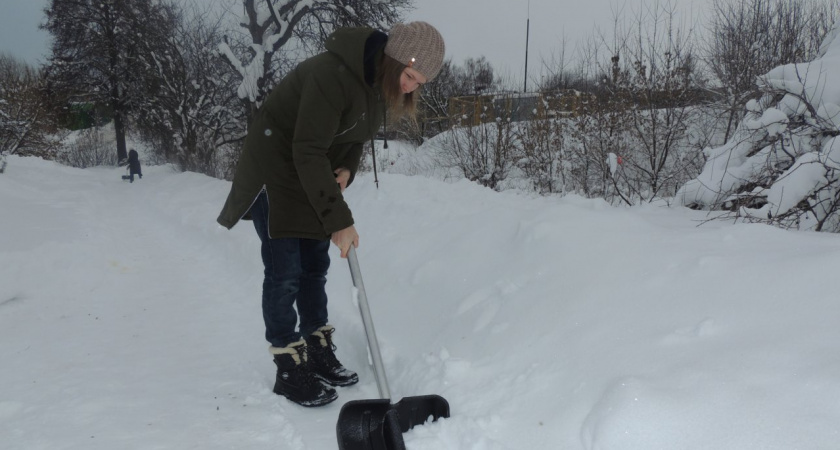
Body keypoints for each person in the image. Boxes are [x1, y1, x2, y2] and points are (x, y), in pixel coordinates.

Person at [216, 22, 445, 407]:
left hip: (309, 172)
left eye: (419, 82)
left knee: (313, 267)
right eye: (409, 75)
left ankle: (316, 348)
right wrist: (339, 220)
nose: (411, 87)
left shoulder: (374, 87)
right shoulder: (331, 75)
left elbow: (354, 138)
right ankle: (289, 366)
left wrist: (348, 170)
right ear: (392, 60)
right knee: (285, 272)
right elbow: (306, 149)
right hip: (276, 171)